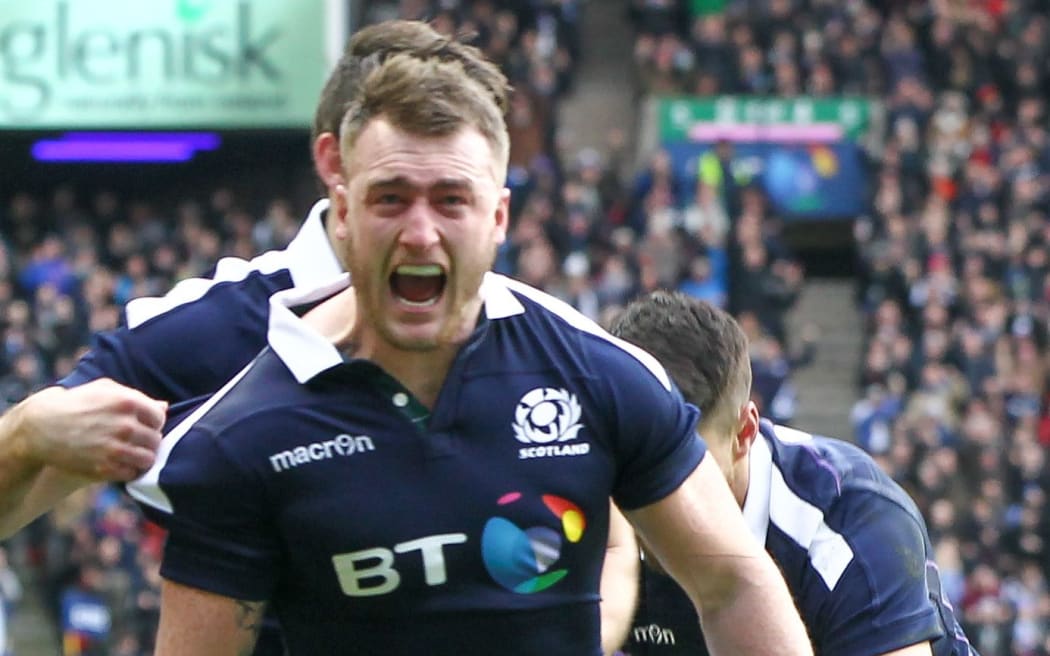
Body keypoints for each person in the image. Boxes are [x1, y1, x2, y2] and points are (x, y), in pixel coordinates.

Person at [126, 48, 812, 656]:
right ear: (344, 213)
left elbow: (732, 583)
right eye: (390, 199)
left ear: (498, 220)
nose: (420, 232)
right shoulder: (240, 437)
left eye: (450, 200)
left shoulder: (597, 377)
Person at [0, 20, 640, 656]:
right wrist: (26, 433)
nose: (430, 217)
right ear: (338, 163)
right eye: (407, 173)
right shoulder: (205, 332)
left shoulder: (529, 338)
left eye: (455, 184)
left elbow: (613, 540)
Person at [609, 291, 977, 656]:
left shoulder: (851, 522)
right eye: (629, 455)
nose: (650, 487)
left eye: (678, 465)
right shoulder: (584, 497)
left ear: (744, 434)